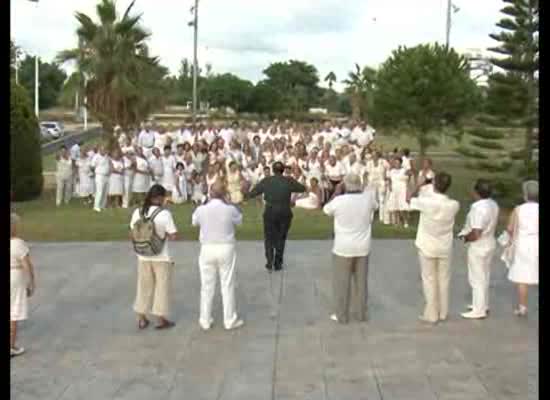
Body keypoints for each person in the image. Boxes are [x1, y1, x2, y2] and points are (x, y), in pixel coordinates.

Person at [323, 174, 378, 324]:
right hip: (363, 247)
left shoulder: (339, 201)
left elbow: (326, 209)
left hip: (343, 247)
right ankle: (361, 313)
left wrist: (337, 190)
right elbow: (376, 206)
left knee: (342, 282)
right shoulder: (368, 199)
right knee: (361, 283)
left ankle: (342, 314)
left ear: (345, 185)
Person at [191, 181, 244, 331]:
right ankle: (229, 320)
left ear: (210, 193)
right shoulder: (230, 209)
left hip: (207, 248)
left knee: (206, 286)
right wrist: (230, 203)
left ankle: (205, 320)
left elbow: (194, 222)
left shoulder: (201, 209)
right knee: (227, 285)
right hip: (225, 248)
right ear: (224, 193)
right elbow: (239, 220)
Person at [408, 172, 460, 324]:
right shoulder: (454, 205)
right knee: (444, 279)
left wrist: (419, 184)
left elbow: (409, 198)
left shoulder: (427, 202)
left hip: (427, 244)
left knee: (429, 279)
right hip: (444, 245)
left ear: (434, 184)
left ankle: (432, 314)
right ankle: (443, 312)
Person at [129, 184, 178, 330]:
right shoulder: (164, 214)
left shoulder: (138, 212)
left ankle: (141, 317)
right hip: (161, 256)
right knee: (161, 287)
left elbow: (131, 232)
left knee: (143, 286)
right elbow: (174, 235)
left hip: (142, 255)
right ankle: (161, 318)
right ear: (161, 198)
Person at [246, 161, 306, 271]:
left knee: (269, 238)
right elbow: (302, 188)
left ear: (273, 170)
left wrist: (247, 194)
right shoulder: (288, 180)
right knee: (281, 237)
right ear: (283, 170)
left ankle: (269, 261)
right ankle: (278, 263)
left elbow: (253, 193)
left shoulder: (267, 181)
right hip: (284, 211)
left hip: (270, 211)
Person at [458, 179, 499, 319]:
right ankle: (482, 304)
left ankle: (478, 310)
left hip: (479, 245)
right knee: (484, 276)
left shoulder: (477, 208)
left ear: (476, 192)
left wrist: (465, 238)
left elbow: (476, 233)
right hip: (490, 242)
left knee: (476, 278)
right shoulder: (493, 204)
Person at [505, 180, 538, 316]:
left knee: (523, 277)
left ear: (525, 194)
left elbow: (510, 228)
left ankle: (523, 307)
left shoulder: (518, 209)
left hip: (523, 244)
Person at [11, 213, 36, 357]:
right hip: (14, 277)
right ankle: (11, 346)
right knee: (13, 311)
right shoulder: (18, 243)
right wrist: (31, 281)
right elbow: (27, 264)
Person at [91, 145, 111, 212]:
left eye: (105, 149)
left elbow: (109, 164)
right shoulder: (96, 157)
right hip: (99, 175)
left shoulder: (107, 156)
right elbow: (92, 166)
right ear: (100, 150)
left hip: (106, 176)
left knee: (105, 191)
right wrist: (94, 173)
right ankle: (96, 206)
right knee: (99, 191)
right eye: (102, 150)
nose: (104, 151)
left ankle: (103, 205)